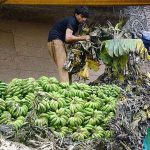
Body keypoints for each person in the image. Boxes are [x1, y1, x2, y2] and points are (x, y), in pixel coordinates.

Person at [47, 6, 90, 83]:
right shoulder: (72, 20)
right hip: (56, 42)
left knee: (67, 66)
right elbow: (68, 38)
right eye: (82, 16)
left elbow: (68, 40)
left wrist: (78, 39)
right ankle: (65, 89)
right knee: (64, 67)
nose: (84, 19)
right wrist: (84, 38)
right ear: (76, 14)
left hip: (57, 42)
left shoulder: (75, 24)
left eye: (85, 17)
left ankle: (69, 87)